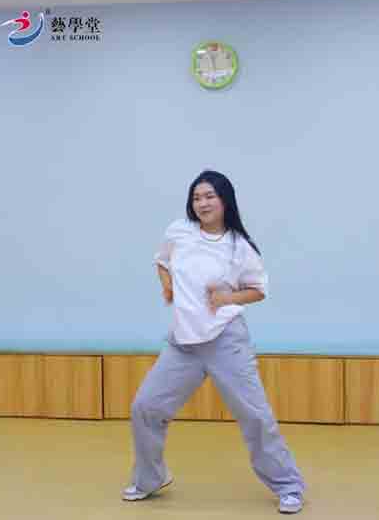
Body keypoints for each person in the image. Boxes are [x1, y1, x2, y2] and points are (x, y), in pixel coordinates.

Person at [122, 170, 306, 514]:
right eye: (196, 197)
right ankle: (150, 478)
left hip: (226, 341)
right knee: (145, 408)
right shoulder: (179, 231)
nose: (202, 203)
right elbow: (161, 262)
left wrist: (227, 297)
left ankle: (289, 486)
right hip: (183, 344)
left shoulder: (239, 246)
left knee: (255, 416)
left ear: (224, 200)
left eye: (209, 196)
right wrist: (168, 285)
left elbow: (259, 290)